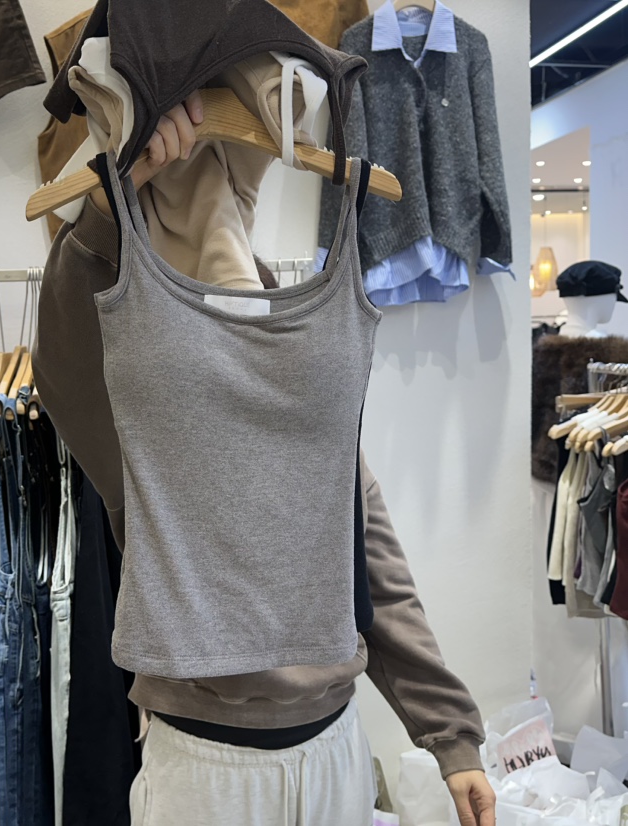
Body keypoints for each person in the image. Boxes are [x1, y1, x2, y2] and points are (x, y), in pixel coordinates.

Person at [34, 91, 497, 826]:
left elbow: (368, 553)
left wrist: (450, 735)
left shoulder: (299, 357)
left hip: (334, 748)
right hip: (206, 768)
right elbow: (64, 366)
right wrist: (106, 204)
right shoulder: (141, 393)